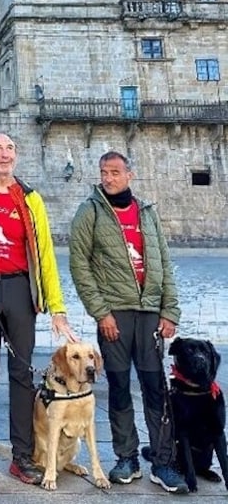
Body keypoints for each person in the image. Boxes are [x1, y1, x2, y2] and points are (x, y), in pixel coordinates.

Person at [0, 130, 75, 493]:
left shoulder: (31, 199)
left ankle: (22, 457)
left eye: (10, 148)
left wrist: (57, 308)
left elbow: (46, 255)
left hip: (22, 291)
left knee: (22, 375)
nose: (5, 154)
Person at [69, 151, 187, 494]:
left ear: (129, 175)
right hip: (114, 317)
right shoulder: (89, 212)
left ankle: (163, 462)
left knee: (156, 389)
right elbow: (80, 266)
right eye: (104, 172)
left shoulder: (147, 214)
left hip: (150, 314)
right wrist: (101, 312)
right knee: (119, 389)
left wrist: (170, 311)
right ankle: (126, 457)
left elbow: (164, 262)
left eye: (115, 172)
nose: (109, 178)